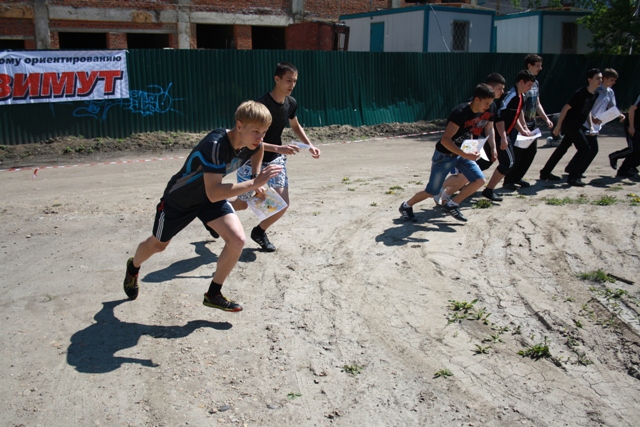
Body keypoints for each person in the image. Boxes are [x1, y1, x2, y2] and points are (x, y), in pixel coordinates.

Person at [122, 101, 283, 312]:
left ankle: (213, 294)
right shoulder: (215, 144)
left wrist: (254, 174)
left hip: (208, 200)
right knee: (158, 245)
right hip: (180, 200)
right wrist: (255, 183)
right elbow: (214, 191)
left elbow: (259, 150)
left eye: (263, 132)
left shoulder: (253, 144)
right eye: (256, 132)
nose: (260, 138)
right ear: (239, 125)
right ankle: (133, 267)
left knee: (237, 240)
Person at [230, 62, 321, 252]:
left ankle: (259, 232)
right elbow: (252, 142)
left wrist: (309, 144)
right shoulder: (262, 106)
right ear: (277, 79)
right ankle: (213, 212)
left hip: (275, 160)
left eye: (295, 81)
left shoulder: (291, 103)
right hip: (251, 159)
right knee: (241, 204)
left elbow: (295, 125)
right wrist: (280, 148)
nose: (292, 85)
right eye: (288, 80)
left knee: (283, 203)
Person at [398, 83, 495, 223]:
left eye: (490, 104)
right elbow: (445, 140)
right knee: (432, 191)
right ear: (477, 99)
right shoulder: (460, 113)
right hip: (444, 156)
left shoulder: (479, 112)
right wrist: (466, 154)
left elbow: (469, 132)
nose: (488, 107)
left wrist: (472, 148)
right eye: (486, 103)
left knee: (479, 180)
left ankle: (452, 204)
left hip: (461, 154)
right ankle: (406, 206)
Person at [435, 73, 504, 205]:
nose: (503, 91)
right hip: (463, 142)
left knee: (466, 176)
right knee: (464, 176)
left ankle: (445, 195)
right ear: (489, 87)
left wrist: (493, 147)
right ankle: (437, 188)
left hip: (474, 143)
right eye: (500, 88)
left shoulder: (492, 106)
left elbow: (489, 127)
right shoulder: (473, 104)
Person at [539, 69, 602, 187]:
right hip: (570, 124)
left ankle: (545, 172)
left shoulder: (595, 94)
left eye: (601, 78)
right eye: (598, 78)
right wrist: (558, 126)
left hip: (578, 124)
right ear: (590, 80)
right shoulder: (580, 93)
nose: (600, 80)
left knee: (562, 148)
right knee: (585, 149)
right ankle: (573, 177)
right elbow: (565, 108)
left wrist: (592, 125)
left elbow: (587, 110)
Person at [482, 70, 536, 202]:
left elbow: (516, 116)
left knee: (487, 160)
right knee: (508, 162)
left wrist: (523, 129)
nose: (530, 88)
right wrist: (503, 137)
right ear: (521, 82)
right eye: (529, 85)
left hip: (504, 134)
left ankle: (463, 178)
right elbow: (499, 117)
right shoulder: (510, 96)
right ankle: (488, 190)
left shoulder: (521, 96)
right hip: (499, 133)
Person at [504, 54, 554, 190]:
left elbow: (537, 103)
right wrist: (523, 127)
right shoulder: (522, 83)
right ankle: (508, 180)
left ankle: (518, 177)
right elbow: (518, 107)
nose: (540, 68)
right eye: (537, 65)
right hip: (520, 124)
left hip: (531, 122)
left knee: (531, 152)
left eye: (540, 65)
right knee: (518, 153)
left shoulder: (535, 83)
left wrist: (546, 119)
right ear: (529, 66)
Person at [564, 68, 625, 176]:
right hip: (585, 123)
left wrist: (619, 114)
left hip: (596, 125)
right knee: (589, 148)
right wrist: (592, 119)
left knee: (589, 149)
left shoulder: (610, 92)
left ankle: (573, 168)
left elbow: (612, 107)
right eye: (611, 80)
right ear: (604, 79)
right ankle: (576, 170)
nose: (614, 83)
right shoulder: (596, 90)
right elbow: (588, 107)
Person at [610, 93, 640, 177]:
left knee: (637, 150)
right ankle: (614, 156)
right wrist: (631, 126)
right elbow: (631, 110)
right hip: (633, 125)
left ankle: (629, 168)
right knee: (633, 149)